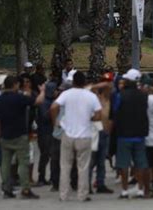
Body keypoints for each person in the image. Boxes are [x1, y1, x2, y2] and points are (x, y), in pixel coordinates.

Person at [50, 71, 102, 202]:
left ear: (73, 82)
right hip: (84, 135)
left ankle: (63, 194)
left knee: (65, 166)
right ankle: (82, 194)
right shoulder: (90, 96)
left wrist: (56, 122)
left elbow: (53, 107)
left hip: (68, 134)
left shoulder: (66, 94)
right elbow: (98, 114)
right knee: (83, 167)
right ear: (84, 82)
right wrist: (90, 119)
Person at [0, 76, 45, 199]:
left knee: (6, 163)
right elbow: (38, 102)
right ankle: (25, 189)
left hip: (5, 135)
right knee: (23, 162)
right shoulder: (20, 98)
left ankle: (7, 188)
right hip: (20, 135)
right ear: (15, 85)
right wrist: (42, 91)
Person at [110, 69, 149, 199]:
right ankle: (140, 189)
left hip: (124, 134)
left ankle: (125, 190)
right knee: (140, 163)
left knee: (124, 163)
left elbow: (114, 113)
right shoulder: (144, 95)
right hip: (140, 134)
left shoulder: (121, 95)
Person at [88, 73, 114, 194]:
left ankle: (100, 183)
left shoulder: (111, 98)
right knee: (91, 160)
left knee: (101, 161)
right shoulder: (94, 97)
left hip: (105, 133)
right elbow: (89, 88)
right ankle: (86, 184)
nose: (109, 86)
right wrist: (103, 82)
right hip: (94, 132)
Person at [36, 81, 57, 186]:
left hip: (48, 131)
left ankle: (47, 177)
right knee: (45, 155)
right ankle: (41, 177)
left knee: (49, 155)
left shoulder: (51, 101)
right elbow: (45, 116)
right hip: (45, 132)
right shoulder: (44, 102)